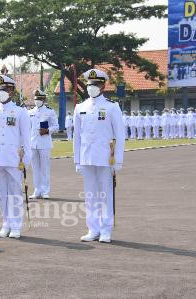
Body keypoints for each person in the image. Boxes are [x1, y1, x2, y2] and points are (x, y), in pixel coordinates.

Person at [73, 69, 125, 243]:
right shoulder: (80, 107)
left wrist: (118, 160)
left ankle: (106, 229)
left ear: (103, 86)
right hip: (87, 157)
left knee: (105, 194)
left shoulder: (112, 107)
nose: (91, 88)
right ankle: (93, 228)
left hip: (105, 158)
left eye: (95, 85)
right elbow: (77, 137)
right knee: (90, 195)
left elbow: (119, 135)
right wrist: (77, 160)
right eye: (89, 85)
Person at [0, 74, 31, 239]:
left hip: (14, 159)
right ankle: (6, 223)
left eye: (4, 89)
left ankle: (16, 225)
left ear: (11, 91)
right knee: (2, 193)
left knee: (15, 192)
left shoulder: (20, 112)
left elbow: (26, 137)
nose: (1, 92)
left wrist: (25, 159)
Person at [28, 89, 59, 199]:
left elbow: (56, 126)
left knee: (44, 168)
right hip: (33, 143)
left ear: (44, 99)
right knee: (35, 168)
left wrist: (47, 131)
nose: (37, 101)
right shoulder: (30, 112)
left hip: (44, 143)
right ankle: (37, 190)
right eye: (36, 99)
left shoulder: (50, 111)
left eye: (40, 99)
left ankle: (45, 191)